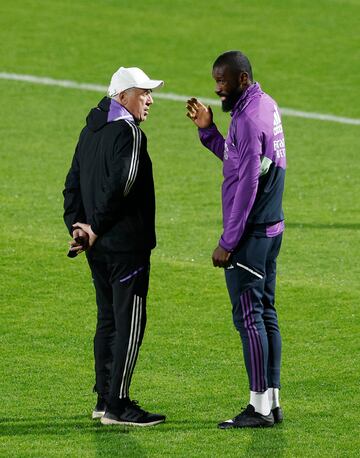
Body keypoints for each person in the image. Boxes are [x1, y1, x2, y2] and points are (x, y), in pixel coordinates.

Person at [186, 51, 286, 428]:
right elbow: (242, 161)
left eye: (223, 81)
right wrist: (209, 131)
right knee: (266, 313)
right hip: (272, 228)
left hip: (250, 235)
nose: (217, 88)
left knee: (249, 317)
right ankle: (272, 401)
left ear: (242, 79)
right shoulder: (266, 106)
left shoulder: (246, 120)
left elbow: (246, 183)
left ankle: (258, 408)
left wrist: (228, 241)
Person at [63, 66, 166, 427]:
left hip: (98, 248)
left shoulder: (89, 131)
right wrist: (95, 226)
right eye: (143, 93)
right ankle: (118, 406)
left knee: (107, 320)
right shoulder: (130, 133)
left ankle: (103, 398)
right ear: (123, 97)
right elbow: (123, 184)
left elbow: (71, 185)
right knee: (129, 323)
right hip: (126, 247)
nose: (150, 99)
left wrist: (78, 229)